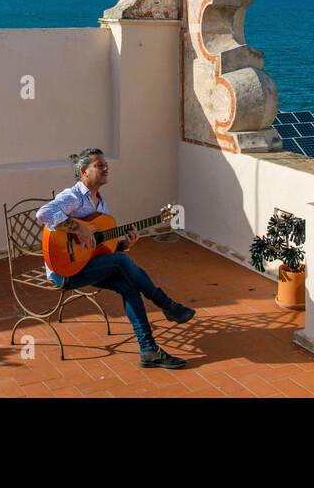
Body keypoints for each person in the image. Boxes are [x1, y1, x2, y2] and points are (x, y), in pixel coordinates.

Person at [36, 148, 195, 368]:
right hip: (64, 271)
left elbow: (102, 249)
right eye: (99, 165)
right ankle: (166, 304)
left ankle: (149, 350)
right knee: (121, 263)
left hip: (88, 265)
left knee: (128, 284)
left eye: (106, 164)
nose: (106, 167)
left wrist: (124, 244)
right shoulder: (73, 196)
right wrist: (79, 229)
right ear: (84, 171)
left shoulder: (101, 205)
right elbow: (43, 213)